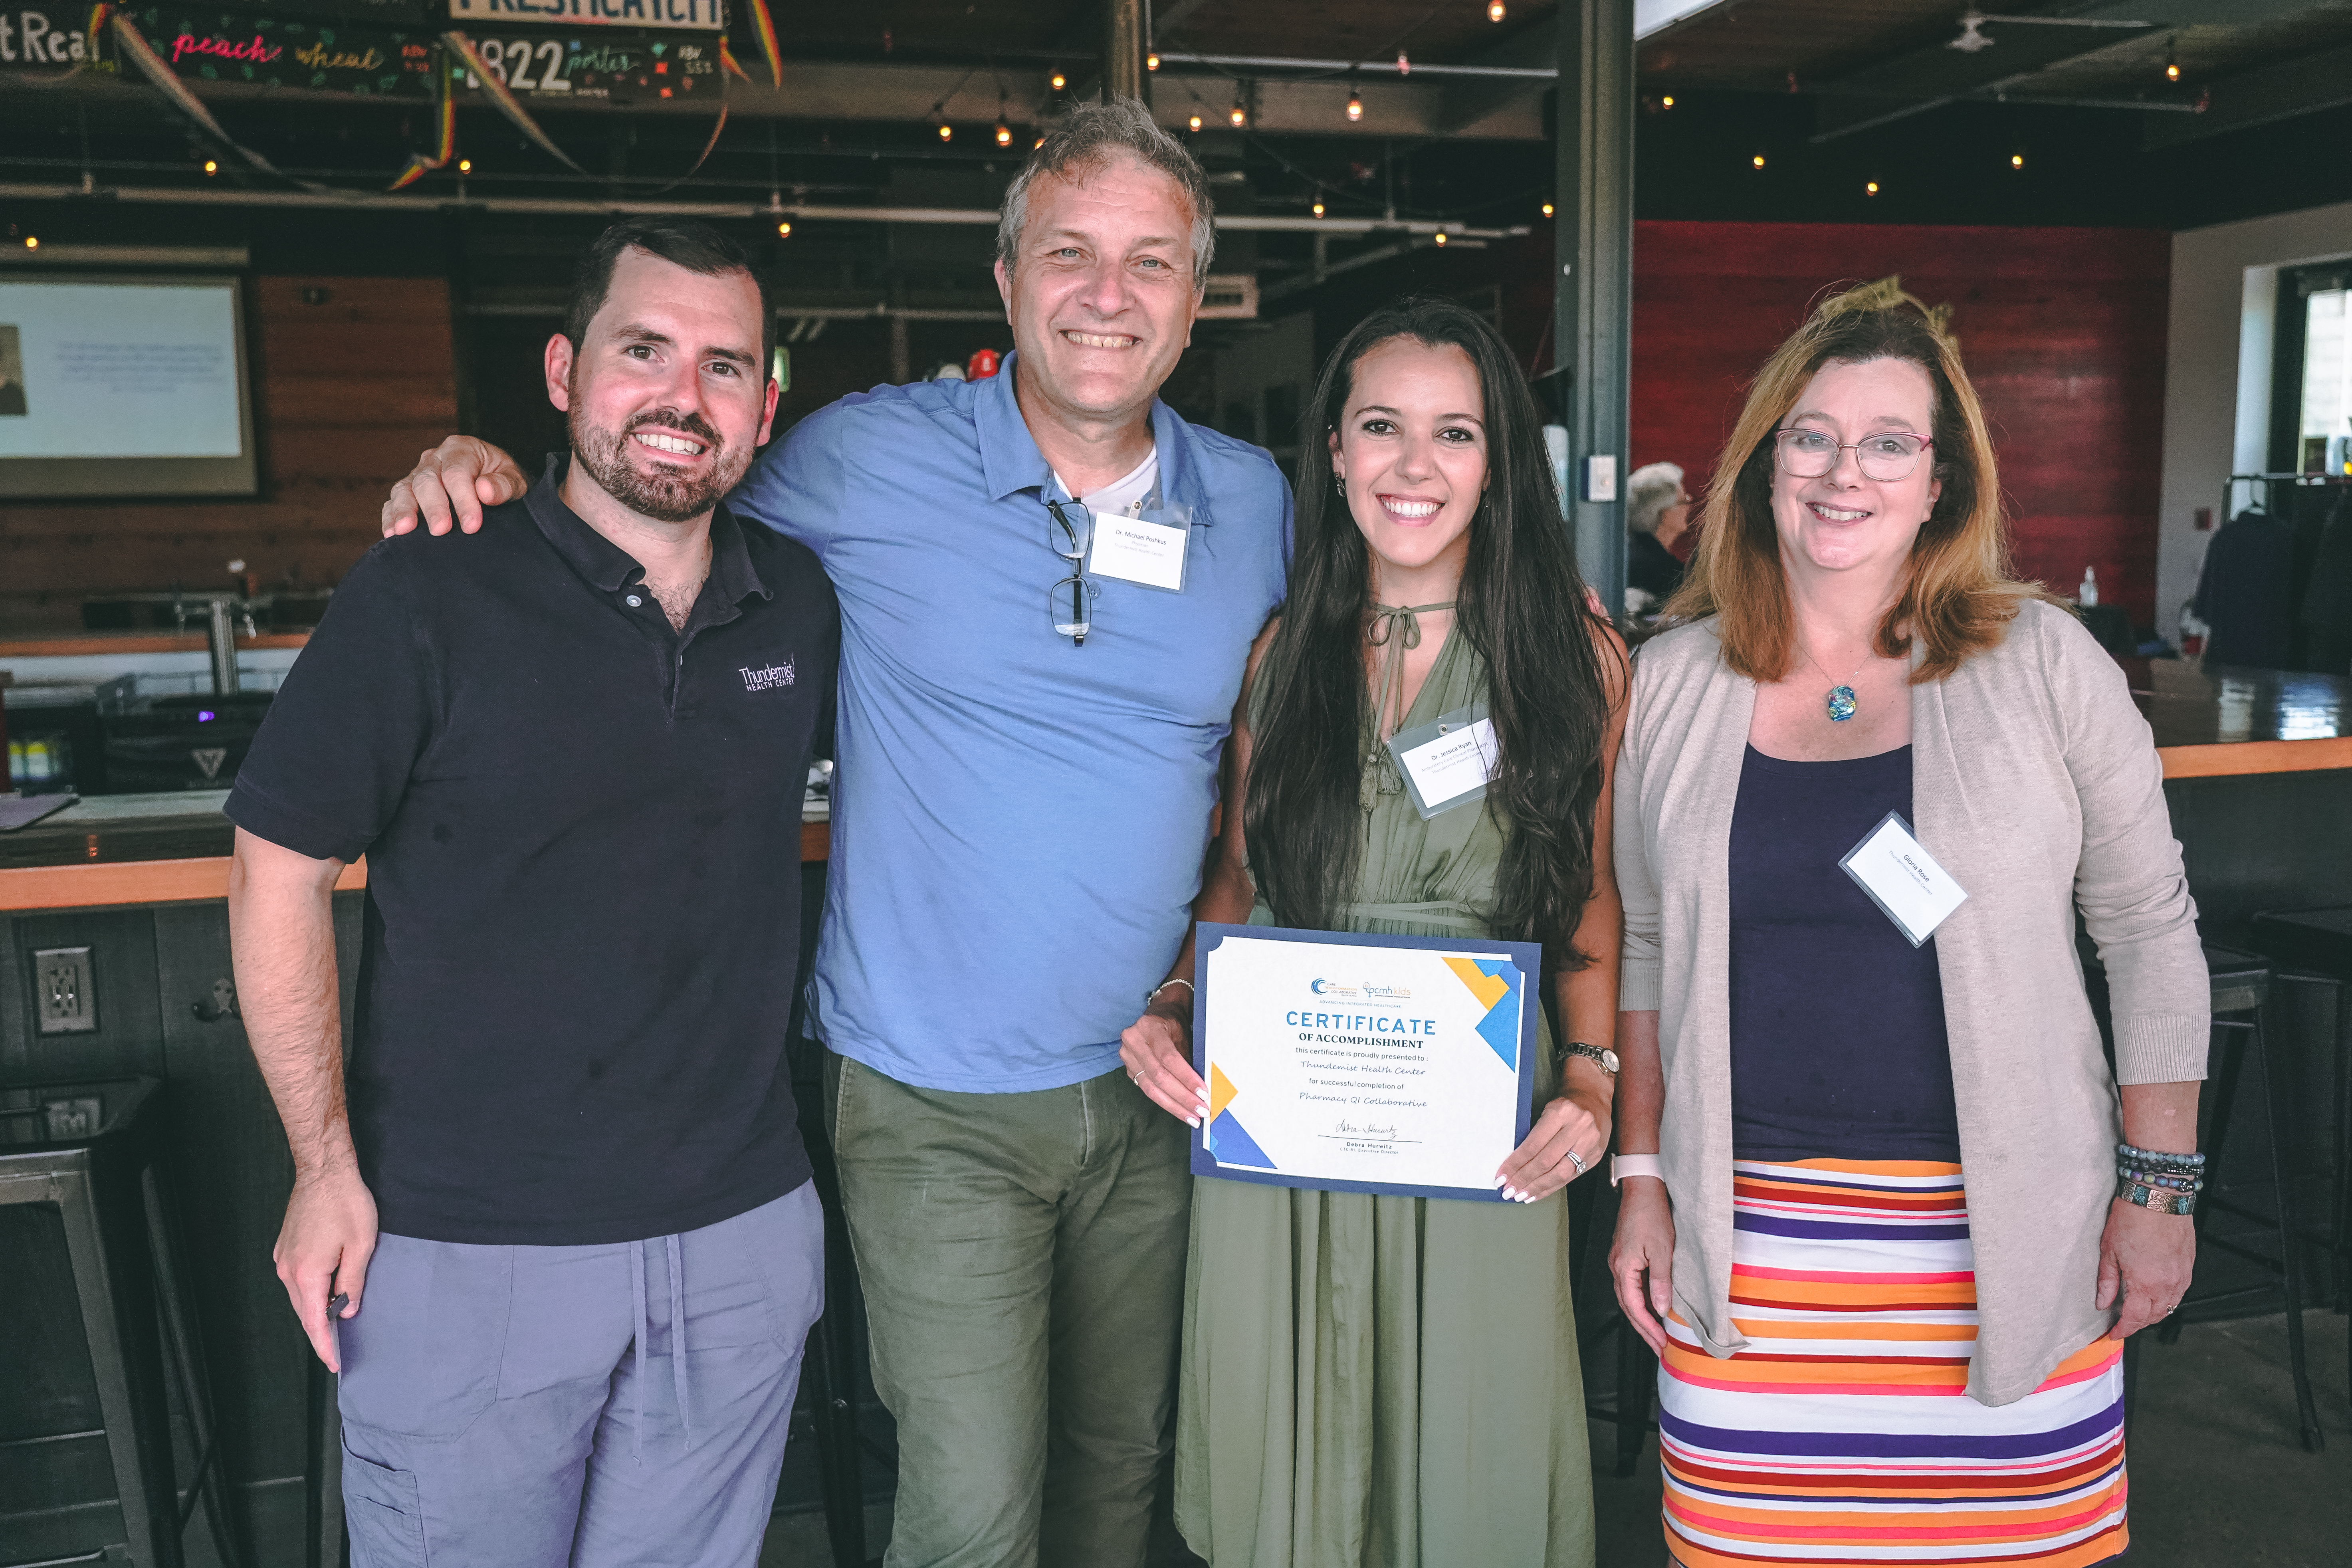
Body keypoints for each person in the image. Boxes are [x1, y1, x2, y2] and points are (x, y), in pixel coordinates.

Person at [380, 100, 1289, 1568]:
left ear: (1193, 302)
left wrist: (1548, 611)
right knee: (973, 1506)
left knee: (1121, 1478)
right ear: (1006, 282)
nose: (1106, 298)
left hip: (1167, 1084)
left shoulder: (1252, 506)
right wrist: (478, 462)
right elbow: (651, 486)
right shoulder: (864, 461)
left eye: (1150, 264)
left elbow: (1408, 614)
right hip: (932, 1100)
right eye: (1069, 253)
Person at [228, 220, 836, 1566]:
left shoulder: (796, 599)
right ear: (564, 371)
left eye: (725, 365)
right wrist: (321, 1167)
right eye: (643, 351)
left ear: (764, 408)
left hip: (738, 1237)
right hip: (466, 1251)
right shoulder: (428, 586)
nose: (685, 397)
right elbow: (278, 869)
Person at [1607, 281, 2207, 1568]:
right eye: (1811, 436)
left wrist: (2158, 1187)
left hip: (2014, 1233)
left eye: (1889, 442)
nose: (1844, 472)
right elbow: (1644, 948)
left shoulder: (2045, 663)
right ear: (1765, 463)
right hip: (1752, 1246)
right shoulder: (1669, 683)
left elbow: (2148, 927)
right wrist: (1640, 1179)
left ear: (1940, 481)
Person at [1115, 297, 1628, 1565]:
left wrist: (1591, 1075)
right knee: (1289, 1447)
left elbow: (1592, 892)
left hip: (1479, 1116)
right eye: (1381, 427)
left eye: (1454, 433)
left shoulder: (1574, 655)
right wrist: (1175, 1004)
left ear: (1498, 460)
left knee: (1467, 1447)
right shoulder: (1280, 651)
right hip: (1281, 1110)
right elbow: (1233, 875)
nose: (1414, 465)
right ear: (1333, 451)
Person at [1624, 459, 1690, 613]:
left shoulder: (1629, 552)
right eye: (1684, 501)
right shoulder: (1663, 570)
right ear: (1665, 514)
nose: (1689, 506)